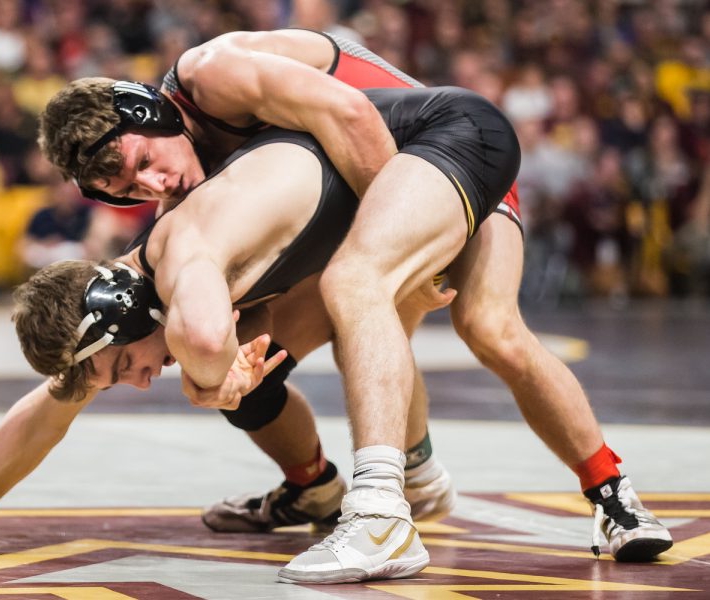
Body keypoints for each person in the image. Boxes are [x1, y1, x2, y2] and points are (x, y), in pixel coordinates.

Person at [38, 28, 673, 568]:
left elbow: (352, 116)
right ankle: (326, 487)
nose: (154, 184)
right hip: (369, 190)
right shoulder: (182, 193)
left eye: (145, 160)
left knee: (484, 323)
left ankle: (611, 494)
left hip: (424, 150)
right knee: (260, 365)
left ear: (151, 115)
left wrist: (405, 252)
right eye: (129, 188)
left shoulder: (214, 76)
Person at [0, 88, 453, 564]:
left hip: (408, 164)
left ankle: (411, 475)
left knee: (390, 318)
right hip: (336, 228)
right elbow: (47, 410)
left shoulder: (182, 254)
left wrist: (395, 261)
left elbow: (343, 113)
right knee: (249, 381)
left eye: (122, 366)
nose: (136, 382)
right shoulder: (127, 304)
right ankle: (316, 487)